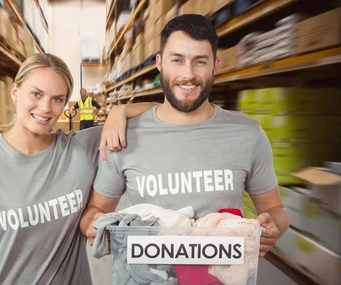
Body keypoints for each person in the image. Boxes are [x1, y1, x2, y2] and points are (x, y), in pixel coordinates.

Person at [80, 14, 290, 259]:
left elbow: (275, 210)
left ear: (216, 66)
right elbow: (95, 211)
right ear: (160, 63)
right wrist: (94, 226)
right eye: (177, 60)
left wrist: (272, 226)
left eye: (200, 61)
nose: (188, 74)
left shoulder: (248, 133)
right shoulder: (123, 135)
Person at [0, 54, 156, 285]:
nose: (46, 108)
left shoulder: (80, 148)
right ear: (15, 92)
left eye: (57, 99)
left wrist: (120, 111)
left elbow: (159, 112)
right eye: (36, 94)